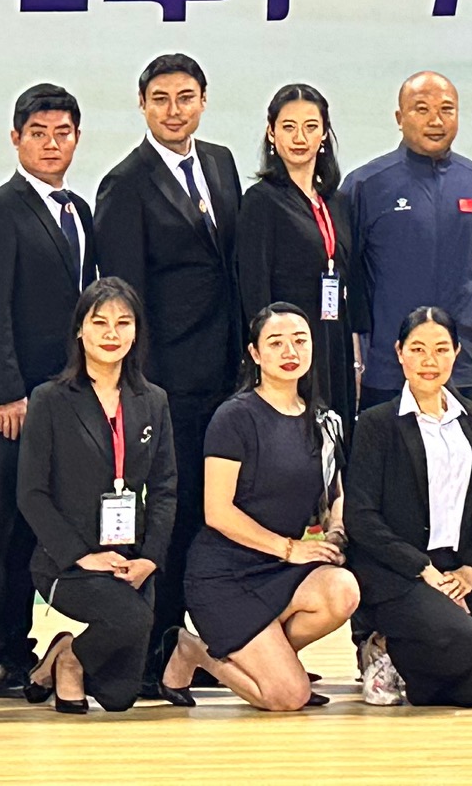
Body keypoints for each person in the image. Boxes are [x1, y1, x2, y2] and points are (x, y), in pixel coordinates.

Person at [92, 53, 242, 692]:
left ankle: (204, 647)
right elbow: (125, 297)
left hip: (229, 375)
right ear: (142, 104)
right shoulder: (124, 183)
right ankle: (152, 650)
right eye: (160, 99)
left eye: (185, 97)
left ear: (203, 100)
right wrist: (139, 387)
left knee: (218, 514)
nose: (174, 110)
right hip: (167, 380)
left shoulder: (222, 163)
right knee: (168, 516)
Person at [0, 82, 96, 699]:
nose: (50, 144)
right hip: (11, 400)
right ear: (16, 140)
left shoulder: (80, 211)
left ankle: (18, 647)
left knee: (37, 519)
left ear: (76, 138)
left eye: (62, 133)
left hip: (63, 396)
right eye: (37, 134)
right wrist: (7, 393)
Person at [164, 305, 359, 712]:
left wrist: (336, 533)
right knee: (288, 697)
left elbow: (335, 494)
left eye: (300, 341)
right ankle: (197, 652)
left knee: (343, 589)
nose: (290, 351)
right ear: (255, 353)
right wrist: (290, 549)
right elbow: (217, 512)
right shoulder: (234, 417)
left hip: (281, 570)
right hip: (226, 574)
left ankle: (275, 661)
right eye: (276, 342)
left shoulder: (324, 420)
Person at [14, 278, 177, 714]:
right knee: (134, 618)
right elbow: (31, 493)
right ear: (79, 330)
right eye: (99, 322)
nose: (111, 333)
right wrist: (82, 556)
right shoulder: (50, 399)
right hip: (67, 562)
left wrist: (150, 558)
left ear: (136, 332)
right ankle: (70, 658)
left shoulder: (153, 400)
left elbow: (165, 488)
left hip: (130, 559)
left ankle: (66, 654)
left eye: (123, 323)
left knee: (117, 697)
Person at [343, 307, 472, 709]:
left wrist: (471, 569)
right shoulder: (376, 423)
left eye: (441, 349)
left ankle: (404, 658)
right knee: (462, 641)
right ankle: (379, 645)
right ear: (399, 352)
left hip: (455, 569)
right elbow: (360, 517)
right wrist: (423, 569)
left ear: (457, 352)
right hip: (398, 569)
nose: (429, 360)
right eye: (417, 349)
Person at [342, 71, 472, 407]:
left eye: (446, 109)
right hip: (386, 367)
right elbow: (348, 273)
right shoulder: (366, 185)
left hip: (457, 366)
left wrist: (460, 311)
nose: (436, 121)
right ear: (399, 118)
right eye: (422, 109)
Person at [235, 83, 365, 414]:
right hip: (286, 347)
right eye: (288, 127)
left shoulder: (336, 201)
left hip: (333, 337)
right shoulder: (261, 201)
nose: (299, 138)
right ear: (271, 133)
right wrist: (268, 350)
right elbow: (254, 288)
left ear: (324, 134)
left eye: (310, 127)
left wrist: (355, 353)